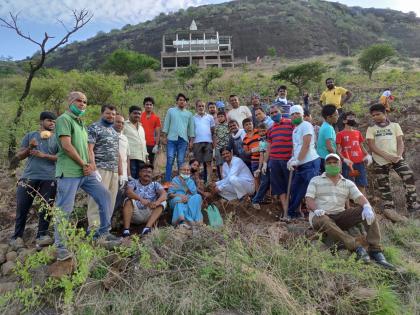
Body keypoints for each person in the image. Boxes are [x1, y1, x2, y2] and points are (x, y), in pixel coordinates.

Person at [54, 92, 120, 261]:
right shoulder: (64, 119)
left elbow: (87, 149)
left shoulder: (81, 123)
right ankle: (60, 247)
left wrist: (90, 165)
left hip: (85, 172)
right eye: (79, 101)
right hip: (69, 171)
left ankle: (103, 233)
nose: (82, 104)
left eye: (85, 101)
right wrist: (83, 164)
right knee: (64, 209)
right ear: (70, 101)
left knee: (104, 195)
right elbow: (67, 146)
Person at [306, 153, 394, 269]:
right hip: (321, 216)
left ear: (340, 165)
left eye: (335, 162)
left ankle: (375, 249)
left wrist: (366, 206)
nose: (332, 165)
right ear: (325, 165)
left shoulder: (347, 183)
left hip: (340, 216)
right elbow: (309, 199)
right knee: (323, 219)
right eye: (329, 163)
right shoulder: (315, 180)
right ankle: (355, 246)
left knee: (367, 209)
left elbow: (360, 198)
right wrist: (316, 209)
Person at [10, 111, 58, 250]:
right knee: (22, 207)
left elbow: (61, 157)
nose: (52, 124)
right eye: (49, 121)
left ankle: (41, 236)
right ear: (41, 122)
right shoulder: (30, 136)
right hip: (28, 176)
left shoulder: (56, 138)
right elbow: (19, 156)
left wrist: (44, 155)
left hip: (49, 178)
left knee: (46, 208)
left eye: (54, 122)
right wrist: (30, 147)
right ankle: (17, 237)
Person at [366, 104, 419, 214]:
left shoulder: (395, 126)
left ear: (385, 113)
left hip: (396, 159)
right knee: (383, 184)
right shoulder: (371, 129)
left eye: (378, 114)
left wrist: (398, 155)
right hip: (380, 161)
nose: (375, 117)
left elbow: (400, 142)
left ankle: (412, 203)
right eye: (373, 115)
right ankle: (389, 207)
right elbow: (372, 146)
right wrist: (387, 156)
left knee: (408, 175)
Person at [87, 105, 120, 231]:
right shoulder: (94, 127)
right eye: (108, 113)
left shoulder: (114, 131)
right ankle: (94, 230)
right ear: (102, 113)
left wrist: (120, 173)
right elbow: (89, 149)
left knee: (110, 201)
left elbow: (116, 153)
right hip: (100, 169)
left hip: (114, 171)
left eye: (113, 114)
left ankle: (105, 230)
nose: (110, 116)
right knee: (96, 200)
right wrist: (93, 168)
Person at [286, 105, 320, 219]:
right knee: (296, 189)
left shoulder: (306, 125)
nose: (295, 115)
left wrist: (297, 160)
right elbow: (297, 147)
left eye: (297, 113)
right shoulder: (295, 129)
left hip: (310, 162)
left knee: (311, 190)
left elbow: (306, 145)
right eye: (292, 114)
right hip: (301, 165)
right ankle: (292, 213)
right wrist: (292, 159)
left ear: (302, 115)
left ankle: (317, 215)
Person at [122, 164, 167, 237]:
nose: (147, 174)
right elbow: (128, 192)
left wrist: (157, 202)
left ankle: (147, 228)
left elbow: (164, 194)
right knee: (128, 201)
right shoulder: (133, 182)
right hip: (135, 213)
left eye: (149, 172)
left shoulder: (155, 184)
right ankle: (126, 230)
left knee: (163, 202)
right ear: (139, 173)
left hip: (150, 213)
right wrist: (141, 199)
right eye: (144, 171)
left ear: (152, 174)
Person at [265, 103, 294, 213]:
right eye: (271, 113)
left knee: (290, 185)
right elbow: (268, 147)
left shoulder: (290, 123)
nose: (274, 114)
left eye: (276, 112)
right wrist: (265, 163)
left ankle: (294, 210)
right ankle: (285, 210)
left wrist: (294, 156)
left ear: (281, 112)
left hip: (288, 160)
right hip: (274, 161)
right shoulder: (270, 129)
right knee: (280, 187)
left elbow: (296, 140)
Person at [336, 111, 372, 195]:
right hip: (348, 163)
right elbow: (338, 149)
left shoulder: (358, 133)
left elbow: (361, 146)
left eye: (353, 117)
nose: (352, 119)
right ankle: (349, 206)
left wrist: (367, 155)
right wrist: (343, 159)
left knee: (362, 183)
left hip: (360, 162)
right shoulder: (340, 134)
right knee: (348, 183)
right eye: (350, 117)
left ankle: (363, 204)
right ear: (344, 121)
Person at [162, 93, 195, 183]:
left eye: (183, 100)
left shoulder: (189, 114)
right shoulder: (171, 111)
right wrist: (164, 137)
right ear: (177, 101)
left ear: (186, 102)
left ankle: (181, 182)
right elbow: (166, 124)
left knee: (181, 161)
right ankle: (167, 182)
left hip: (183, 140)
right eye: (180, 100)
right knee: (170, 159)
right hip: (171, 139)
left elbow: (191, 129)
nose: (182, 101)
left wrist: (191, 141)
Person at [168, 163, 203, 228]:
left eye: (188, 170)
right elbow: (170, 195)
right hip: (177, 198)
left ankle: (194, 219)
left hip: (188, 199)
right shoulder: (175, 180)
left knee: (198, 197)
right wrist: (180, 196)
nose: (186, 172)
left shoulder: (191, 181)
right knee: (179, 200)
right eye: (184, 170)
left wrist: (188, 197)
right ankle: (185, 220)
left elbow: (194, 194)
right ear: (180, 171)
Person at [193, 100, 215, 183]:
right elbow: (191, 131)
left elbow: (213, 131)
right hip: (196, 142)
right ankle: (198, 181)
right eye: (199, 106)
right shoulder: (193, 118)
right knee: (197, 163)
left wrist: (213, 142)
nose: (201, 107)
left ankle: (209, 182)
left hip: (208, 142)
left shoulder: (210, 117)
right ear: (196, 107)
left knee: (208, 162)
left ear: (205, 107)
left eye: (202, 106)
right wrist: (191, 142)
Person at [123, 105, 148, 179]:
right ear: (129, 114)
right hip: (131, 157)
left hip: (142, 157)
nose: (137, 115)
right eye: (135, 113)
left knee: (140, 178)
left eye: (139, 114)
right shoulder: (124, 125)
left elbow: (143, 142)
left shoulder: (141, 127)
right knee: (131, 177)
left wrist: (147, 157)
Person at [113, 114, 131, 211]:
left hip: (123, 176)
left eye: (122, 123)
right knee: (110, 199)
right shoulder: (109, 136)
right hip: (113, 173)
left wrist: (128, 174)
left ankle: (111, 222)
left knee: (118, 200)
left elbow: (127, 157)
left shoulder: (125, 138)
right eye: (118, 122)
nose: (120, 124)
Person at [251, 123, 270, 209]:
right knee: (265, 181)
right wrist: (259, 168)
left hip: (274, 161)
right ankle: (256, 200)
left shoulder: (271, 139)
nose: (262, 133)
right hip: (266, 164)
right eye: (260, 131)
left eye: (264, 130)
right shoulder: (262, 142)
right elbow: (261, 155)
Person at [317, 104, 339, 172]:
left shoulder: (324, 125)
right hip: (327, 158)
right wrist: (336, 158)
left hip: (322, 157)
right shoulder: (328, 128)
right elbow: (329, 147)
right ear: (329, 117)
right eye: (335, 115)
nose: (338, 116)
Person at [140, 97, 161, 165]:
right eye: (147, 104)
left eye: (150, 104)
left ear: (153, 106)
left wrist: (156, 145)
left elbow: (158, 133)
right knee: (141, 163)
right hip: (140, 143)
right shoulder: (139, 116)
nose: (149, 106)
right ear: (144, 105)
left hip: (151, 144)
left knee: (150, 164)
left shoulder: (156, 118)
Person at [214, 111, 230, 179]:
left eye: (221, 116)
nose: (220, 118)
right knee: (220, 164)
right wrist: (215, 148)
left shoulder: (228, 125)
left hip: (227, 147)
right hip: (218, 147)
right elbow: (215, 137)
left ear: (225, 117)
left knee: (229, 162)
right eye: (218, 117)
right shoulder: (216, 127)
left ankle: (229, 178)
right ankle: (222, 179)